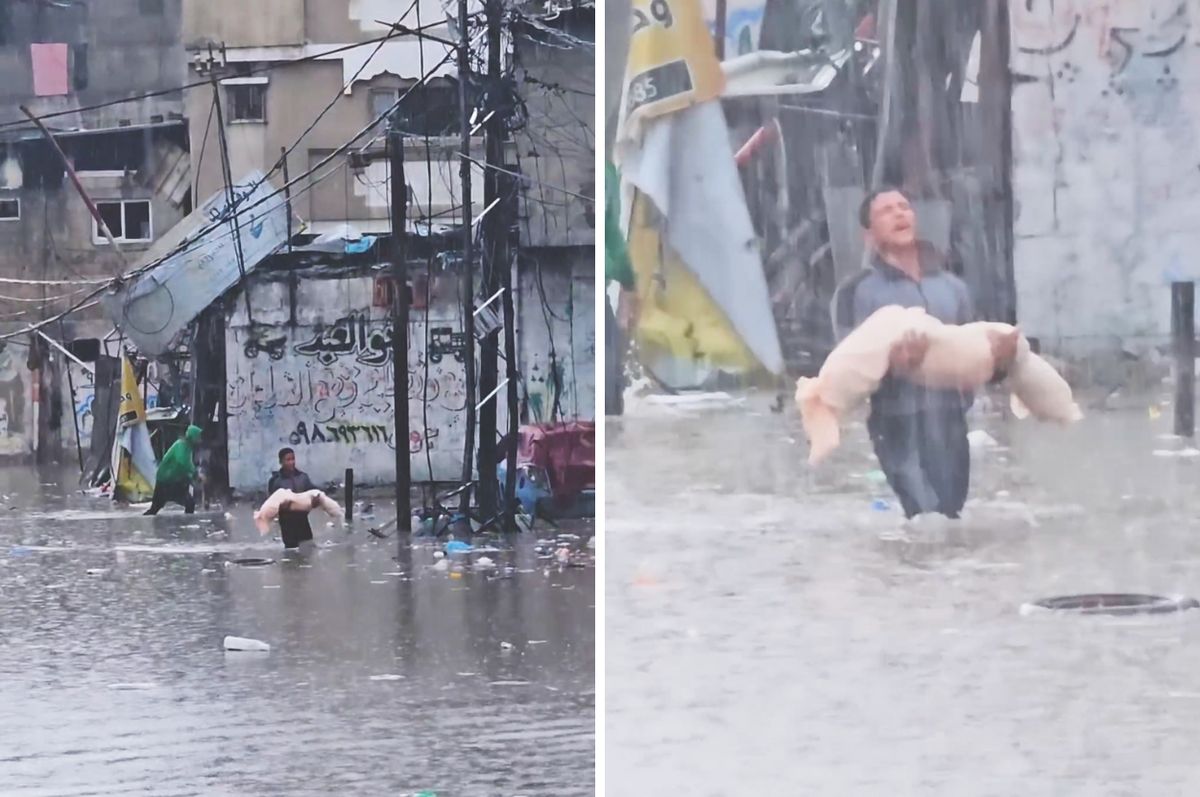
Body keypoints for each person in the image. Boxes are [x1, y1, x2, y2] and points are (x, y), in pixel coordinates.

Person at [832, 187, 1017, 520]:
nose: (900, 213)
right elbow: (847, 369)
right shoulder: (856, 292)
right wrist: (897, 363)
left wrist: (999, 361)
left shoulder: (953, 288)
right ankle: (909, 570)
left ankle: (941, 572)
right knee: (924, 516)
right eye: (886, 210)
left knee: (950, 516)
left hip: (949, 419)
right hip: (896, 421)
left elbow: (973, 353)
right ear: (868, 235)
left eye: (904, 206)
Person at [605, 160, 638, 416]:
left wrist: (628, 285)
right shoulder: (606, 171)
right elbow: (612, 237)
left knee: (612, 388)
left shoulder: (607, 171)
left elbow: (613, 237)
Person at [144, 424, 201, 515]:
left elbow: (184, 467)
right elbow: (183, 463)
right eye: (198, 437)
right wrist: (195, 474)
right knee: (155, 508)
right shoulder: (181, 445)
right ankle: (185, 525)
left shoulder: (188, 448)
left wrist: (192, 477)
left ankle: (185, 526)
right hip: (166, 481)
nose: (199, 440)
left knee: (189, 503)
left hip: (174, 480)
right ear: (193, 436)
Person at [268, 447, 316, 548]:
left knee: (308, 548)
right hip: (287, 522)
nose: (291, 462)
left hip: (302, 520)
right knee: (291, 550)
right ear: (281, 462)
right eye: (288, 460)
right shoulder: (276, 481)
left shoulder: (303, 477)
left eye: (293, 459)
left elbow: (313, 493)